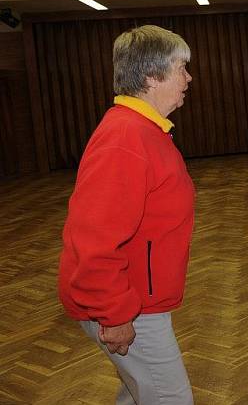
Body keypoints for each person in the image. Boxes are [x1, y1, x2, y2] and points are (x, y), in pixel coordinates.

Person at [58, 25, 195, 405]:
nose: (188, 78)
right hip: (127, 308)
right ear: (152, 76)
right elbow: (93, 238)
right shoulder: (126, 138)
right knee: (170, 399)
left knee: (139, 393)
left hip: (135, 299)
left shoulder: (144, 130)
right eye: (181, 68)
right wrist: (115, 314)